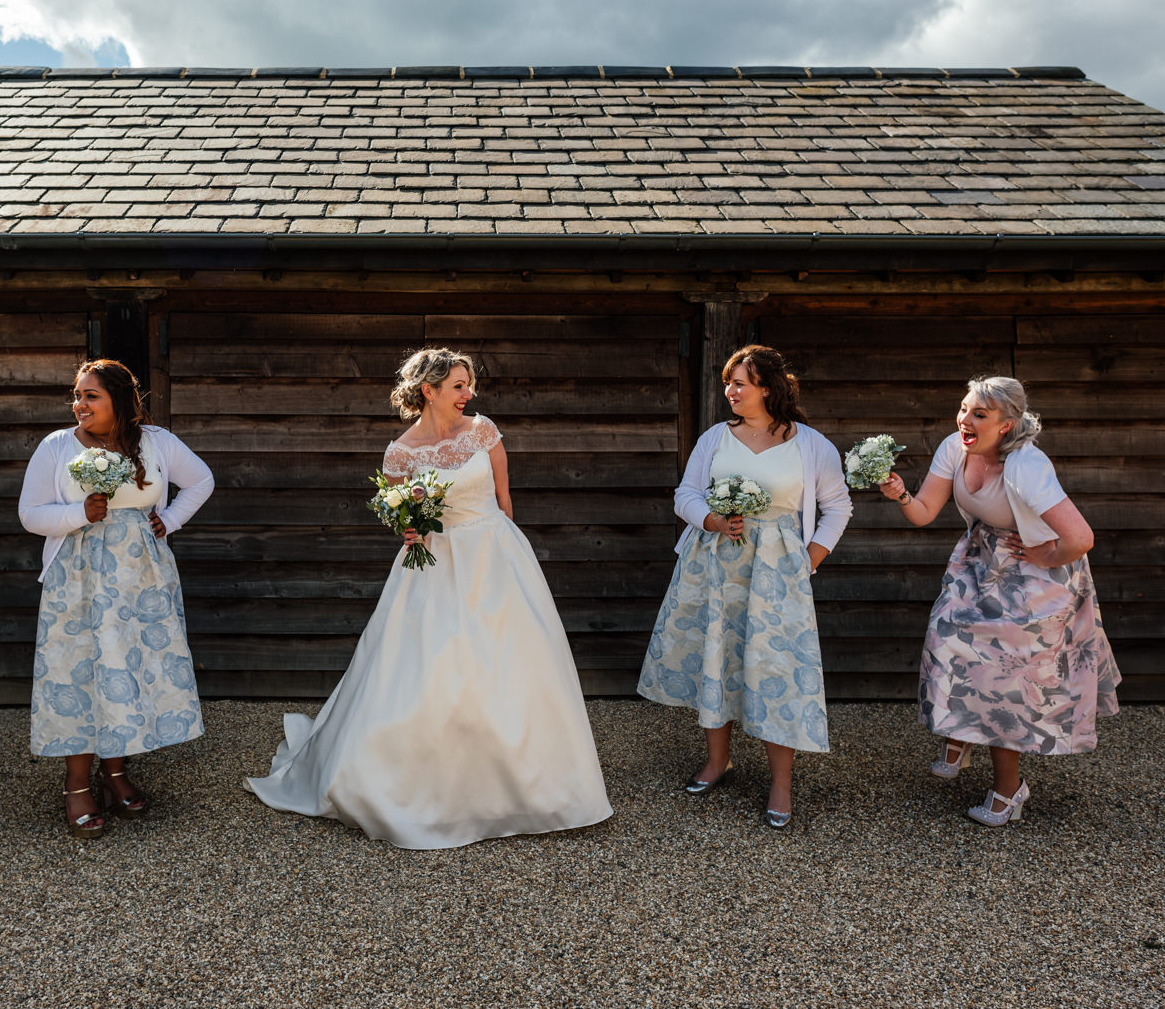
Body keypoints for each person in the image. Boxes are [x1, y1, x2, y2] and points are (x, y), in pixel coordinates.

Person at [245, 348, 612, 849]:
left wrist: (509, 553)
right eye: (459, 385)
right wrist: (409, 532)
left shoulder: (484, 431)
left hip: (495, 557)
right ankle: (425, 784)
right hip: (435, 565)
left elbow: (505, 500)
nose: (470, 394)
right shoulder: (399, 453)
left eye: (469, 384)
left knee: (513, 661)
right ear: (429, 390)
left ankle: (532, 784)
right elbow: (401, 518)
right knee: (431, 665)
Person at [879, 375, 1119, 826]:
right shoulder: (956, 447)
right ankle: (960, 734)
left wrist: (1045, 553)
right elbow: (924, 513)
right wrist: (901, 494)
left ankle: (1010, 791)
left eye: (979, 415)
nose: (965, 420)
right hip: (983, 559)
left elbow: (1081, 537)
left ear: (1006, 425)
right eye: (964, 409)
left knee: (1005, 677)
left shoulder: (1027, 466)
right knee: (945, 637)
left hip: (1038, 573)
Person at [638, 345, 850, 830]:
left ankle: (780, 781)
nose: (730, 391)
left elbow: (838, 508)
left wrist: (809, 560)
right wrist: (710, 519)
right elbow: (685, 494)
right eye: (728, 382)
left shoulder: (811, 444)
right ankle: (718, 761)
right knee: (718, 655)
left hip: (777, 573)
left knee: (778, 665)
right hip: (714, 566)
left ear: (769, 388)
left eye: (741, 383)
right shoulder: (716, 437)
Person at [19, 359, 214, 839]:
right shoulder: (57, 446)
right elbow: (30, 513)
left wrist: (169, 520)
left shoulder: (158, 442)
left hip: (140, 577)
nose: (79, 404)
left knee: (125, 670)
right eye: (78, 395)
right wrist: (77, 513)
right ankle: (77, 783)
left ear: (120, 401)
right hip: (77, 576)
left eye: (91, 396)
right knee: (79, 670)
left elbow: (202, 480)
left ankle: (117, 771)